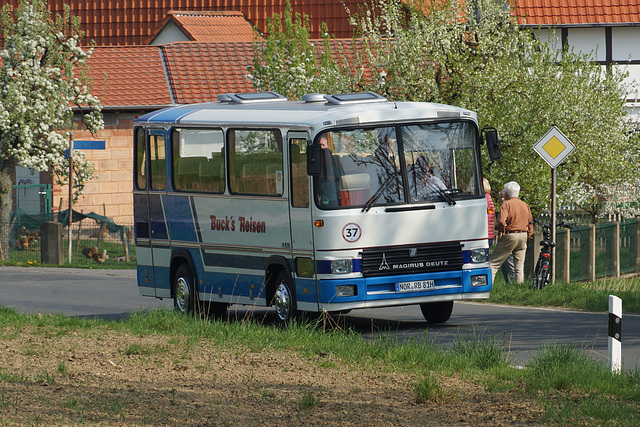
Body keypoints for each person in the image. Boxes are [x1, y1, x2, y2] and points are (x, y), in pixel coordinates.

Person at [489, 181, 533, 284]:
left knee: (493, 263)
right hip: (523, 236)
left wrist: (502, 231)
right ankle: (519, 289)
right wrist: (529, 234)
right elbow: (530, 221)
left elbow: (501, 221)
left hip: (510, 235)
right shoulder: (525, 205)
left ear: (507, 194)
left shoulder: (506, 205)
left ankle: (488, 288)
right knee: (519, 267)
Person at [484, 178, 495, 245]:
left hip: (486, 234)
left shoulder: (485, 198)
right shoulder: (488, 197)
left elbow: (489, 213)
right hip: (489, 233)